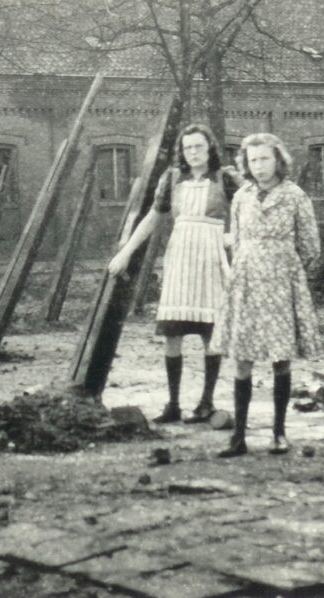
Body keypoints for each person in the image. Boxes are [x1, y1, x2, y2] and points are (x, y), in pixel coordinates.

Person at [108, 124, 241, 424]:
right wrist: (126, 252)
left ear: (210, 149)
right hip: (180, 258)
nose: (193, 153)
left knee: (211, 334)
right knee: (173, 333)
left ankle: (206, 403)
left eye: (199, 147)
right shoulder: (171, 179)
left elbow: (247, 209)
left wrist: (236, 239)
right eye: (188, 147)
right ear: (182, 151)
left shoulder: (226, 178)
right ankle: (173, 404)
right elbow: (153, 218)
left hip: (211, 258)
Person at [213, 133, 321, 458]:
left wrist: (282, 267)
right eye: (253, 160)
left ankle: (278, 433)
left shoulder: (294, 196)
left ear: (278, 160)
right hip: (245, 284)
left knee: (280, 359)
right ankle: (238, 438)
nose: (258, 166)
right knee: (242, 360)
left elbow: (311, 247)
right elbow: (236, 240)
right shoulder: (242, 197)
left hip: (280, 285)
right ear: (245, 163)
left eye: (264, 159)